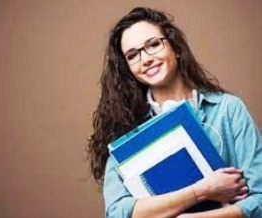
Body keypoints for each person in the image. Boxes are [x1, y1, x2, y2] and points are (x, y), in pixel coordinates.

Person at [87, 7, 262, 218]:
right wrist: (202, 191)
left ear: (175, 47)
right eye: (133, 55)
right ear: (128, 68)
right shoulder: (125, 127)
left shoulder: (228, 109)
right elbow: (116, 213)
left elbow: (259, 200)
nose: (146, 59)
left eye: (153, 44)